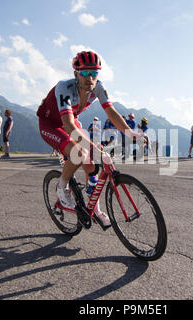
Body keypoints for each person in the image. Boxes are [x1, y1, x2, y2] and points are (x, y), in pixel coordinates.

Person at [36, 50, 139, 228]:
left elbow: (111, 112)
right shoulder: (64, 87)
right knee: (79, 152)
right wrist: (91, 147)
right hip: (51, 124)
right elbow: (68, 124)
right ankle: (62, 186)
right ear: (76, 73)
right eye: (85, 73)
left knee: (92, 166)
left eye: (94, 73)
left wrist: (130, 133)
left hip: (70, 121)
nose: (89, 78)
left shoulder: (98, 87)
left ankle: (95, 210)